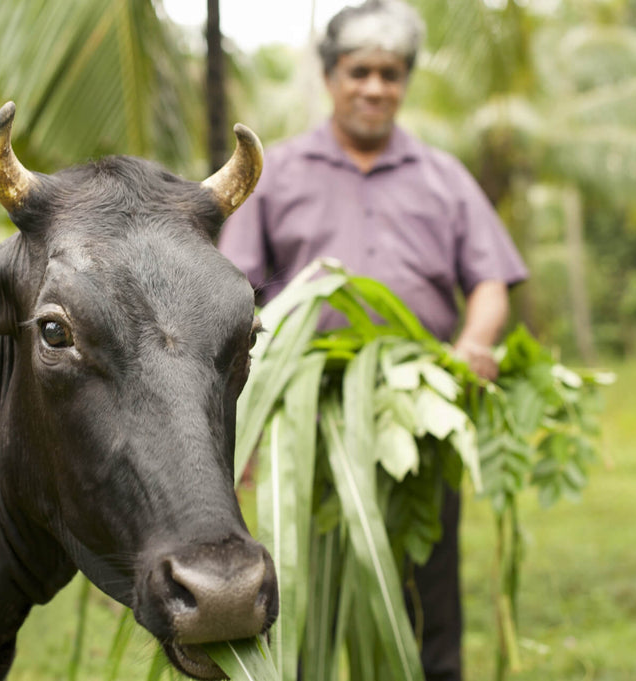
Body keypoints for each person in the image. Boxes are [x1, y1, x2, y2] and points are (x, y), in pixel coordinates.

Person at [217, 1, 528, 679]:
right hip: (302, 423)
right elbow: (234, 296)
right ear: (331, 77)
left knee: (426, 590)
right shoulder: (279, 174)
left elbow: (491, 284)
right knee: (297, 590)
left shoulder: (444, 176)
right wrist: (241, 421)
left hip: (418, 418)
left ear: (405, 82)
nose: (375, 87)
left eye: (391, 73)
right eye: (360, 71)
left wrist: (474, 344)